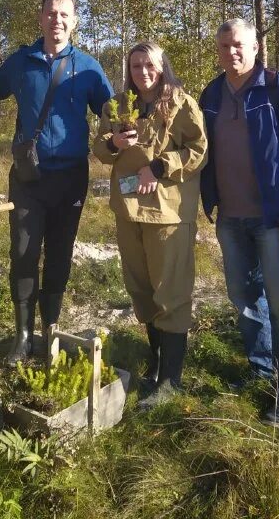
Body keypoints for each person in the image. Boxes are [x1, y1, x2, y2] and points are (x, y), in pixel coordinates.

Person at [199, 18, 279, 429]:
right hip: (230, 219)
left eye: (238, 45)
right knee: (245, 298)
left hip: (273, 218)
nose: (230, 52)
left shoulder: (278, 88)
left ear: (255, 47)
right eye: (223, 46)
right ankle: (260, 371)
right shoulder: (212, 95)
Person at [0, 0, 113, 365]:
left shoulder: (89, 68)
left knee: (59, 255)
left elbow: (112, 115)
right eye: (50, 13)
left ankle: (50, 329)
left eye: (64, 14)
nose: (57, 20)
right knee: (24, 254)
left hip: (71, 177)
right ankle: (23, 335)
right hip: (28, 178)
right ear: (40, 18)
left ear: (74, 21)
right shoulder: (20, 63)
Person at [93, 42, 207, 406]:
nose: (142, 71)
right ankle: (156, 367)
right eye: (136, 65)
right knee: (140, 289)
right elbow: (98, 147)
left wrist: (159, 166)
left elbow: (199, 149)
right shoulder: (119, 104)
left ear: (162, 67)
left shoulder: (181, 103)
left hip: (167, 215)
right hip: (129, 211)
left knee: (169, 292)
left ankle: (171, 382)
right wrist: (113, 141)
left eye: (149, 65)